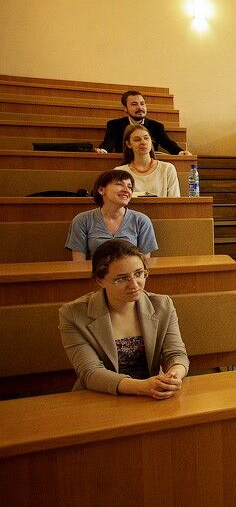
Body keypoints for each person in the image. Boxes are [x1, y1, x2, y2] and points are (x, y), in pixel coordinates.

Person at [58, 239, 189, 397]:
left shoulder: (163, 305)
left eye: (138, 274)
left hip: (154, 392)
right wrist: (142, 387)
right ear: (100, 281)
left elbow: (176, 354)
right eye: (121, 278)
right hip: (100, 396)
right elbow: (90, 372)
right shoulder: (73, 314)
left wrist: (174, 375)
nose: (134, 285)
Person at [66, 170, 158, 261]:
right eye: (119, 184)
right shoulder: (82, 220)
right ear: (101, 190)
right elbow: (79, 264)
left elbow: (145, 263)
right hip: (95, 271)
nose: (126, 190)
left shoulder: (141, 220)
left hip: (131, 271)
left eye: (129, 187)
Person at [98, 90, 190, 155]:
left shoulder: (156, 126)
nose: (140, 107)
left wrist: (181, 152)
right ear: (125, 108)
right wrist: (103, 150)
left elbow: (168, 143)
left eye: (142, 104)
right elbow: (109, 142)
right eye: (134, 104)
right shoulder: (115, 125)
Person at [113, 123, 180, 197]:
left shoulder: (167, 168)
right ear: (128, 144)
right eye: (137, 140)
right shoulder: (119, 172)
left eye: (146, 138)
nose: (143, 142)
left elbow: (174, 200)